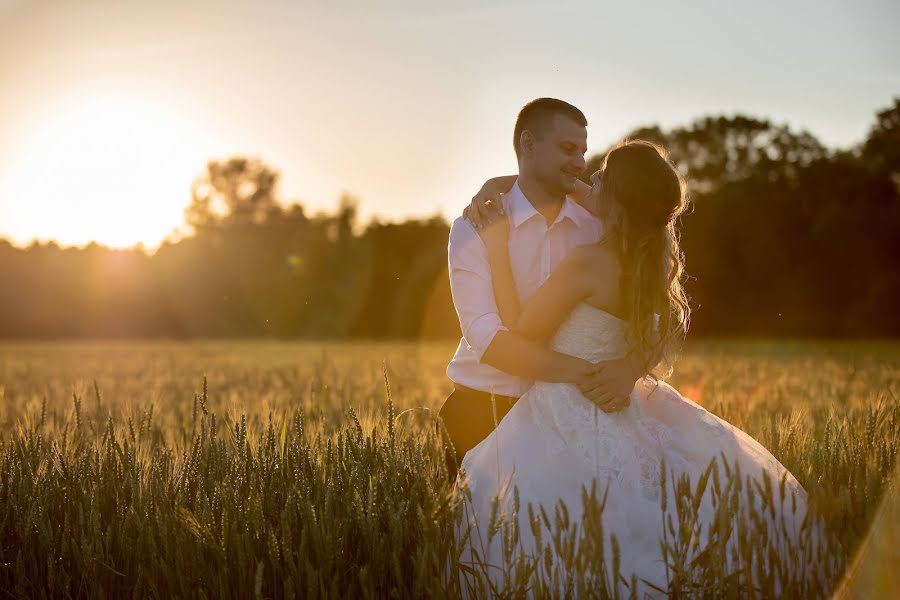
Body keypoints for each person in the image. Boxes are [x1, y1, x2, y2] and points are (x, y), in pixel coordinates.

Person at [453, 140, 822, 597]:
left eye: (602, 176)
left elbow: (519, 329)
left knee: (526, 515)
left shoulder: (587, 262)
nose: (592, 180)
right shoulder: (647, 264)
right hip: (621, 401)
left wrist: (496, 246)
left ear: (615, 197)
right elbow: (663, 326)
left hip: (567, 401)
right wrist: (496, 184)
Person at [438, 98, 646, 486]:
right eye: (568, 149)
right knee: (475, 543)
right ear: (528, 145)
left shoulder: (599, 228)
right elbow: (488, 339)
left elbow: (653, 311)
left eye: (583, 151)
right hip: (482, 412)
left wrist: (629, 369)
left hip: (572, 418)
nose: (581, 162)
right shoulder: (473, 228)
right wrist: (588, 375)